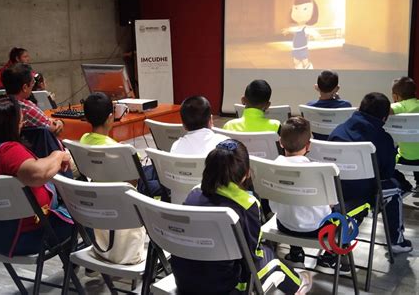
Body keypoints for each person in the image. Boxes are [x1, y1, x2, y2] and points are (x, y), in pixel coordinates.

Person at [170, 139, 312, 295]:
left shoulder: (193, 194)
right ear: (246, 173)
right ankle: (299, 285)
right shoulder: (247, 205)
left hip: (183, 279)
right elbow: (251, 254)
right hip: (224, 287)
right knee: (269, 256)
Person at [0, 95, 72, 256]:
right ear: (8, 126)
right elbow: (38, 173)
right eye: (20, 122)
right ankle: (85, 263)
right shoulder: (7, 151)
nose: (22, 125)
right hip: (27, 236)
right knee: (83, 214)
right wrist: (58, 155)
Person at [329, 92, 413, 253]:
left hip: (334, 189)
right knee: (394, 188)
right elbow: (387, 174)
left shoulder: (338, 131)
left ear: (360, 108)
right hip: (361, 193)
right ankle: (396, 241)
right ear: (384, 118)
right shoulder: (383, 138)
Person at [79, 92, 146, 265]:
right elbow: (133, 182)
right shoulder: (120, 152)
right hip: (121, 203)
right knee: (152, 178)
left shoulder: (83, 140)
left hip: (97, 200)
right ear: (111, 118)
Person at [269, 117, 335, 271]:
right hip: (318, 230)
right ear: (309, 145)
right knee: (344, 215)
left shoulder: (271, 167)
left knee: (292, 204)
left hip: (284, 225)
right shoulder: (320, 171)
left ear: (280, 142)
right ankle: (332, 255)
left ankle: (296, 252)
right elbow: (331, 203)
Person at [2, 63, 63, 135]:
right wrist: (60, 122)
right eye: (33, 82)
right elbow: (54, 128)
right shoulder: (27, 108)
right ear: (24, 87)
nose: (33, 86)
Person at [390, 77, 419, 190]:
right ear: (414, 92)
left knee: (386, 156)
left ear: (395, 96)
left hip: (405, 158)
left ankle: (403, 183)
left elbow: (380, 108)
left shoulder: (399, 107)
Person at [306, 70, 352, 140]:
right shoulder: (346, 105)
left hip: (319, 145)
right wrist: (338, 99)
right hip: (338, 144)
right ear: (337, 88)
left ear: (317, 87)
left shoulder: (309, 106)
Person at [282, 0, 320, 70]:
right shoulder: (297, 28)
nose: (299, 13)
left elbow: (311, 31)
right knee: (296, 61)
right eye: (296, 8)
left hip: (302, 48)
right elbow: (293, 29)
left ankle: (309, 69)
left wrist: (316, 35)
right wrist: (287, 30)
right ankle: (299, 70)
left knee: (304, 61)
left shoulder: (305, 28)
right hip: (295, 48)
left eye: (305, 9)